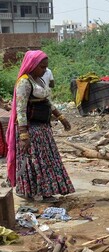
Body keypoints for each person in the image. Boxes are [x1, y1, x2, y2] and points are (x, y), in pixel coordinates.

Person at [6, 50, 74, 203]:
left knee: (47, 160)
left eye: (45, 67)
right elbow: (20, 109)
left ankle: (47, 191)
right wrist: (23, 135)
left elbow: (47, 101)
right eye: (42, 67)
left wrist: (61, 117)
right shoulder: (24, 82)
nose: (44, 70)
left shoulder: (39, 81)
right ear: (33, 65)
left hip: (43, 128)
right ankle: (31, 191)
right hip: (31, 130)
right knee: (34, 162)